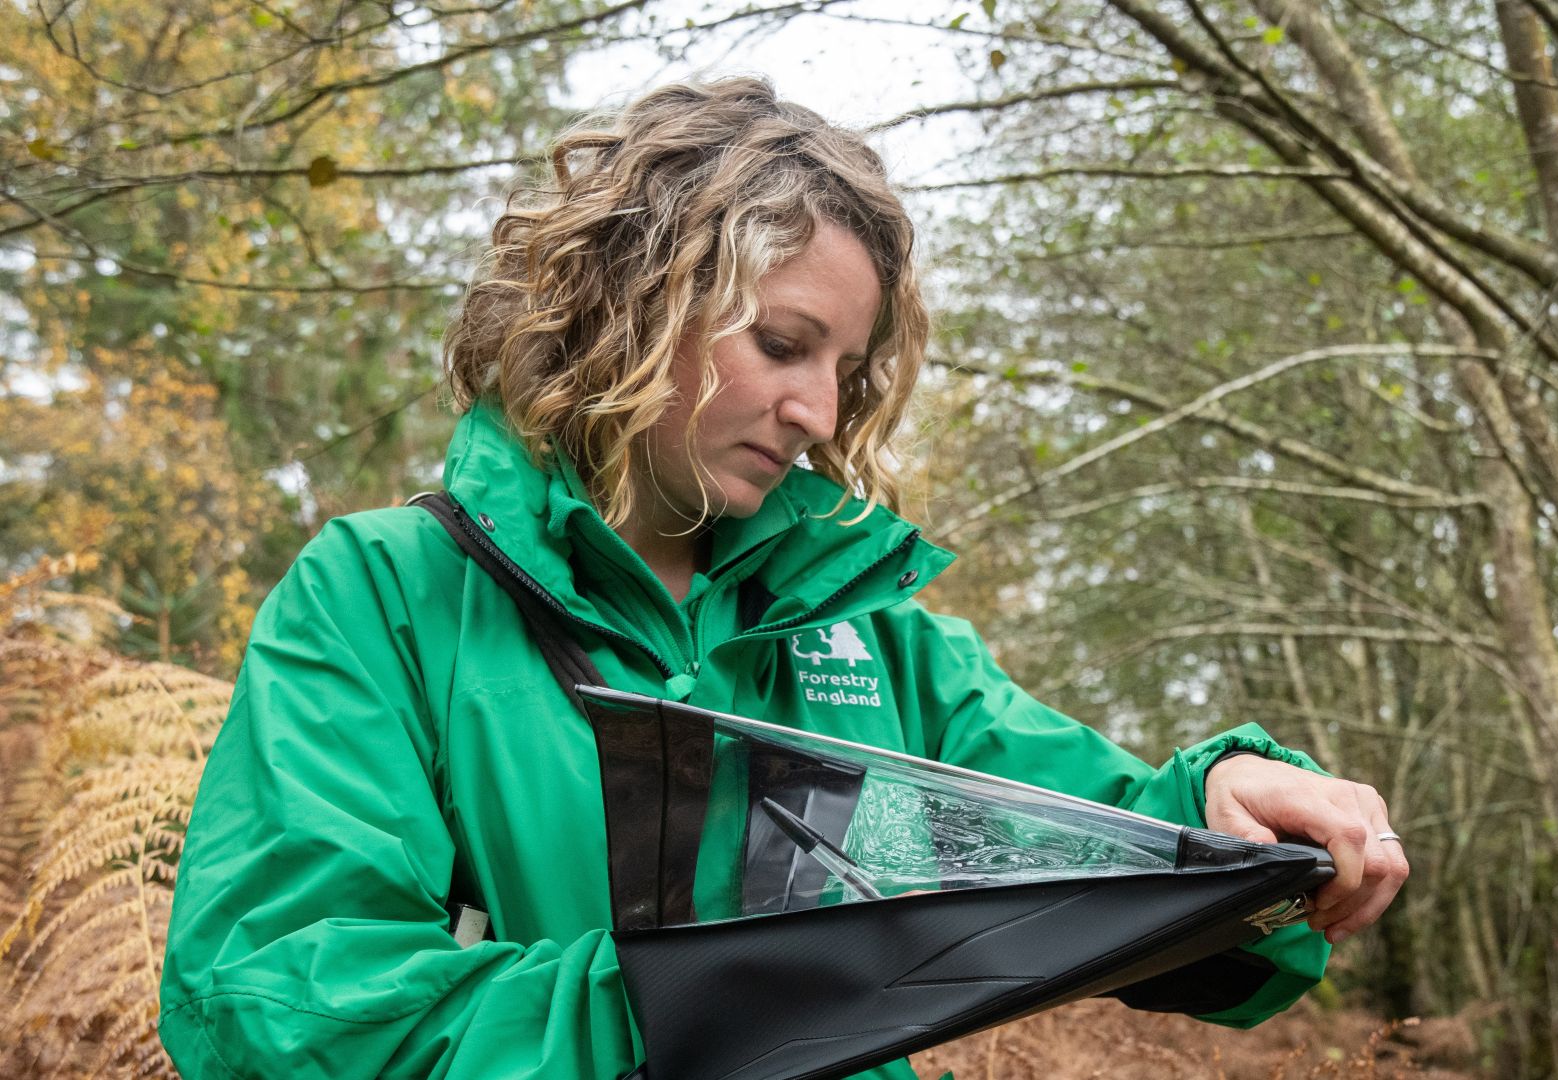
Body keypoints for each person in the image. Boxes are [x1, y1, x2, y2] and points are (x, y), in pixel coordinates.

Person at [158, 77, 1408, 1079]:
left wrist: (1234, 811)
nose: (816, 409)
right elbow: (281, 1009)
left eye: (844, 369)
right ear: (629, 301)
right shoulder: (387, 597)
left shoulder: (870, 637)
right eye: (781, 343)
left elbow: (1107, 838)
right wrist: (690, 1006)